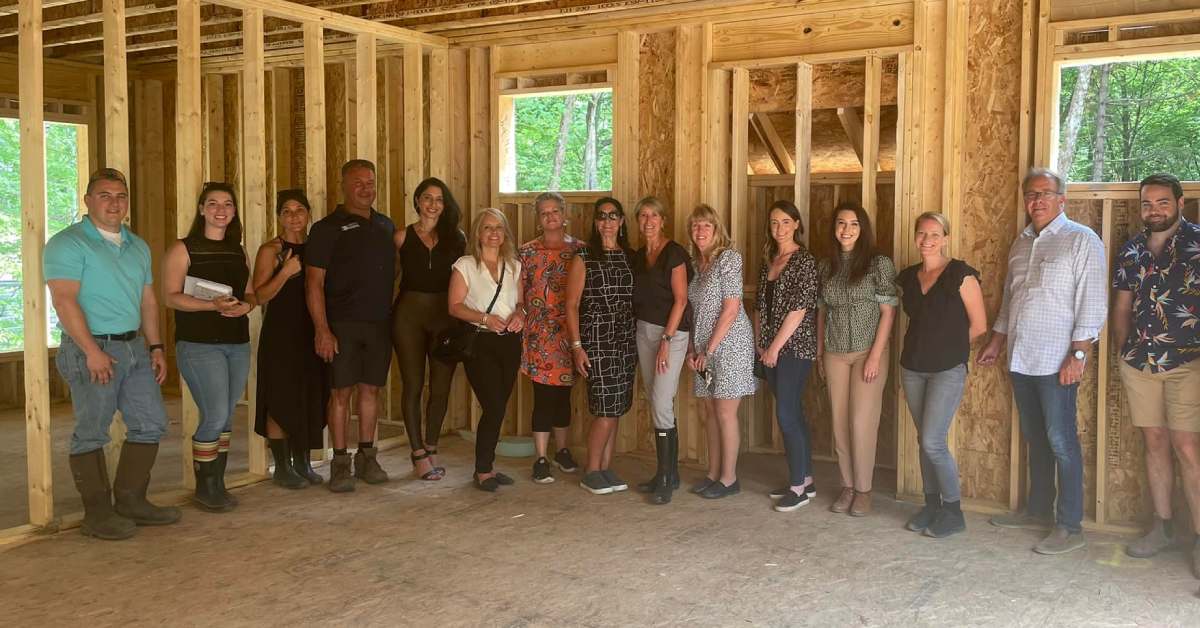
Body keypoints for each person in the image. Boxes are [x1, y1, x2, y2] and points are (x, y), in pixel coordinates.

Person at [44, 168, 182, 539]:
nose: (114, 202)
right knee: (92, 432)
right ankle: (97, 514)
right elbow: (63, 299)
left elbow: (148, 300)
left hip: (134, 347)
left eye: (120, 195)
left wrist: (155, 347)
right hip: (92, 348)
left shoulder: (137, 246)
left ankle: (131, 501)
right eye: (104, 195)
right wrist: (91, 350)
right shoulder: (68, 243)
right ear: (88, 200)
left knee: (151, 423)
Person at [978, 168, 1106, 555]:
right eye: (1030, 194)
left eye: (1045, 194)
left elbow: (1093, 303)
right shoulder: (1021, 244)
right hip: (1022, 357)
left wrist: (1079, 354)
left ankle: (1070, 525)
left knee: (1061, 441)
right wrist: (997, 342)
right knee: (1036, 440)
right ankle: (1037, 511)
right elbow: (1011, 300)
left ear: (1062, 199)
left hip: (1057, 361)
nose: (1036, 201)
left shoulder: (1081, 240)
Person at [1112, 173, 1200, 576]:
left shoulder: (1198, 244)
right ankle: (1162, 527)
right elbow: (1123, 307)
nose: (1154, 210)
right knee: (1155, 441)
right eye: (1148, 203)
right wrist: (1122, 352)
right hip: (1140, 363)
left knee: (1187, 447)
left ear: (1180, 203)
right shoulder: (1131, 250)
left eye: (1163, 202)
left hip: (1187, 363)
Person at [163, 181, 257, 512]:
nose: (221, 210)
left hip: (237, 343)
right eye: (213, 203)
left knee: (226, 415)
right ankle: (205, 487)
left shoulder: (238, 249)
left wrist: (246, 306)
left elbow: (249, 292)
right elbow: (170, 296)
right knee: (215, 414)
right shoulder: (183, 248)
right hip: (199, 344)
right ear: (202, 209)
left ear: (234, 211)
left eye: (228, 204)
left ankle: (218, 483)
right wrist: (212, 306)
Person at [306, 160, 396, 492]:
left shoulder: (386, 225)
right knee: (340, 393)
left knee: (371, 390)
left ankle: (367, 457)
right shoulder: (326, 229)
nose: (365, 188)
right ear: (343, 185)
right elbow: (313, 283)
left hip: (378, 325)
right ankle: (340, 463)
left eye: (370, 182)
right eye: (358, 182)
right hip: (340, 325)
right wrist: (322, 329)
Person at [896, 212, 987, 537]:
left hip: (947, 370)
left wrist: (946, 349)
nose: (927, 239)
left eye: (934, 234)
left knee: (933, 441)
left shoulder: (960, 275)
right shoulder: (907, 278)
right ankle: (931, 504)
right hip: (913, 368)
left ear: (945, 238)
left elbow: (979, 325)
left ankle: (953, 510)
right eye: (921, 233)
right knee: (924, 441)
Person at [816, 202, 898, 517]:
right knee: (839, 422)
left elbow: (888, 312)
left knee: (861, 422)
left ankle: (864, 490)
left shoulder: (878, 264)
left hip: (868, 351)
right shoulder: (828, 266)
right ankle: (847, 485)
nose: (846, 230)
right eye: (840, 223)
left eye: (853, 224)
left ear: (862, 229)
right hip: (835, 351)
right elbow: (822, 311)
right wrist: (821, 354)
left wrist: (876, 356)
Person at [250, 189, 327, 489]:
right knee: (279, 396)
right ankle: (281, 467)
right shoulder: (271, 250)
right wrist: (285, 272)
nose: (294, 216)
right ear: (279, 216)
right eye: (287, 211)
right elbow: (259, 295)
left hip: (313, 330)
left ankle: (302, 462)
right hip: (281, 331)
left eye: (300, 210)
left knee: (308, 393)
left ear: (309, 214)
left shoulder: (318, 248)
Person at [393, 177, 465, 481]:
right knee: (413, 385)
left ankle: (432, 446)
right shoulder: (400, 237)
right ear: (418, 201)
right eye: (427, 198)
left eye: (439, 199)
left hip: (445, 317)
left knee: (441, 387)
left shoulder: (456, 238)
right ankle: (417, 452)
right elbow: (389, 278)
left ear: (444, 204)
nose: (433, 204)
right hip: (408, 316)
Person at [448, 208, 525, 492]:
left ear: (505, 234)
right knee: (493, 406)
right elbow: (454, 306)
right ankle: (482, 470)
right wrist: (484, 319)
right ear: (478, 234)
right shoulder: (465, 265)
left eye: (499, 228)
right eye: (487, 228)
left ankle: (487, 467)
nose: (493, 233)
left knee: (499, 407)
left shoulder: (514, 265)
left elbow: (520, 303)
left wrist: (520, 315)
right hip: (480, 342)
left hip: (509, 342)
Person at [567, 197, 637, 495]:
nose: (607, 221)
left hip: (626, 340)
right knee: (605, 409)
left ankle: (605, 468)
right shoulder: (584, 256)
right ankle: (591, 470)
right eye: (602, 216)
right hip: (597, 340)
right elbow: (570, 305)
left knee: (618, 406)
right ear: (596, 222)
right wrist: (576, 346)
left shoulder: (631, 257)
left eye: (613, 216)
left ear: (621, 222)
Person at [686, 204, 757, 500]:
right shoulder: (695, 266)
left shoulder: (728, 259)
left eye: (706, 226)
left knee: (725, 412)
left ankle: (729, 478)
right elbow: (694, 311)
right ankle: (713, 473)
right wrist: (694, 349)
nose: (700, 231)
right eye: (695, 226)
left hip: (730, 345)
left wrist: (708, 350)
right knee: (709, 412)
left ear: (717, 230)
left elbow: (731, 307)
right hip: (704, 347)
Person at [755, 200, 819, 512]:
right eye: (774, 222)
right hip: (769, 350)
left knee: (786, 414)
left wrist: (775, 348)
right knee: (792, 413)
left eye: (785, 222)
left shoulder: (804, 261)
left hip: (794, 348)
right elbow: (759, 306)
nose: (779, 228)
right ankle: (805, 478)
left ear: (796, 224)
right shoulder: (768, 260)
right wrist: (760, 343)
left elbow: (799, 309)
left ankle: (798, 489)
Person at [631, 196, 693, 505]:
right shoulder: (640, 254)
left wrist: (667, 341)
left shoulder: (674, 253)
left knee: (659, 400)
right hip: (644, 330)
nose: (648, 220)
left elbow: (680, 300)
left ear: (663, 220)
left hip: (672, 334)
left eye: (654, 214)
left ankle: (666, 478)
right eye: (643, 215)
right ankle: (667, 473)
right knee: (659, 400)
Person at [518, 192, 583, 484]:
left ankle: (563, 450)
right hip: (539, 336)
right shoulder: (527, 252)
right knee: (543, 398)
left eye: (555, 211)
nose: (550, 217)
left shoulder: (580, 250)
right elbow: (519, 293)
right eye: (544, 213)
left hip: (569, 334)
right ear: (538, 217)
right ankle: (541, 457)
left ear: (564, 213)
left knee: (563, 396)